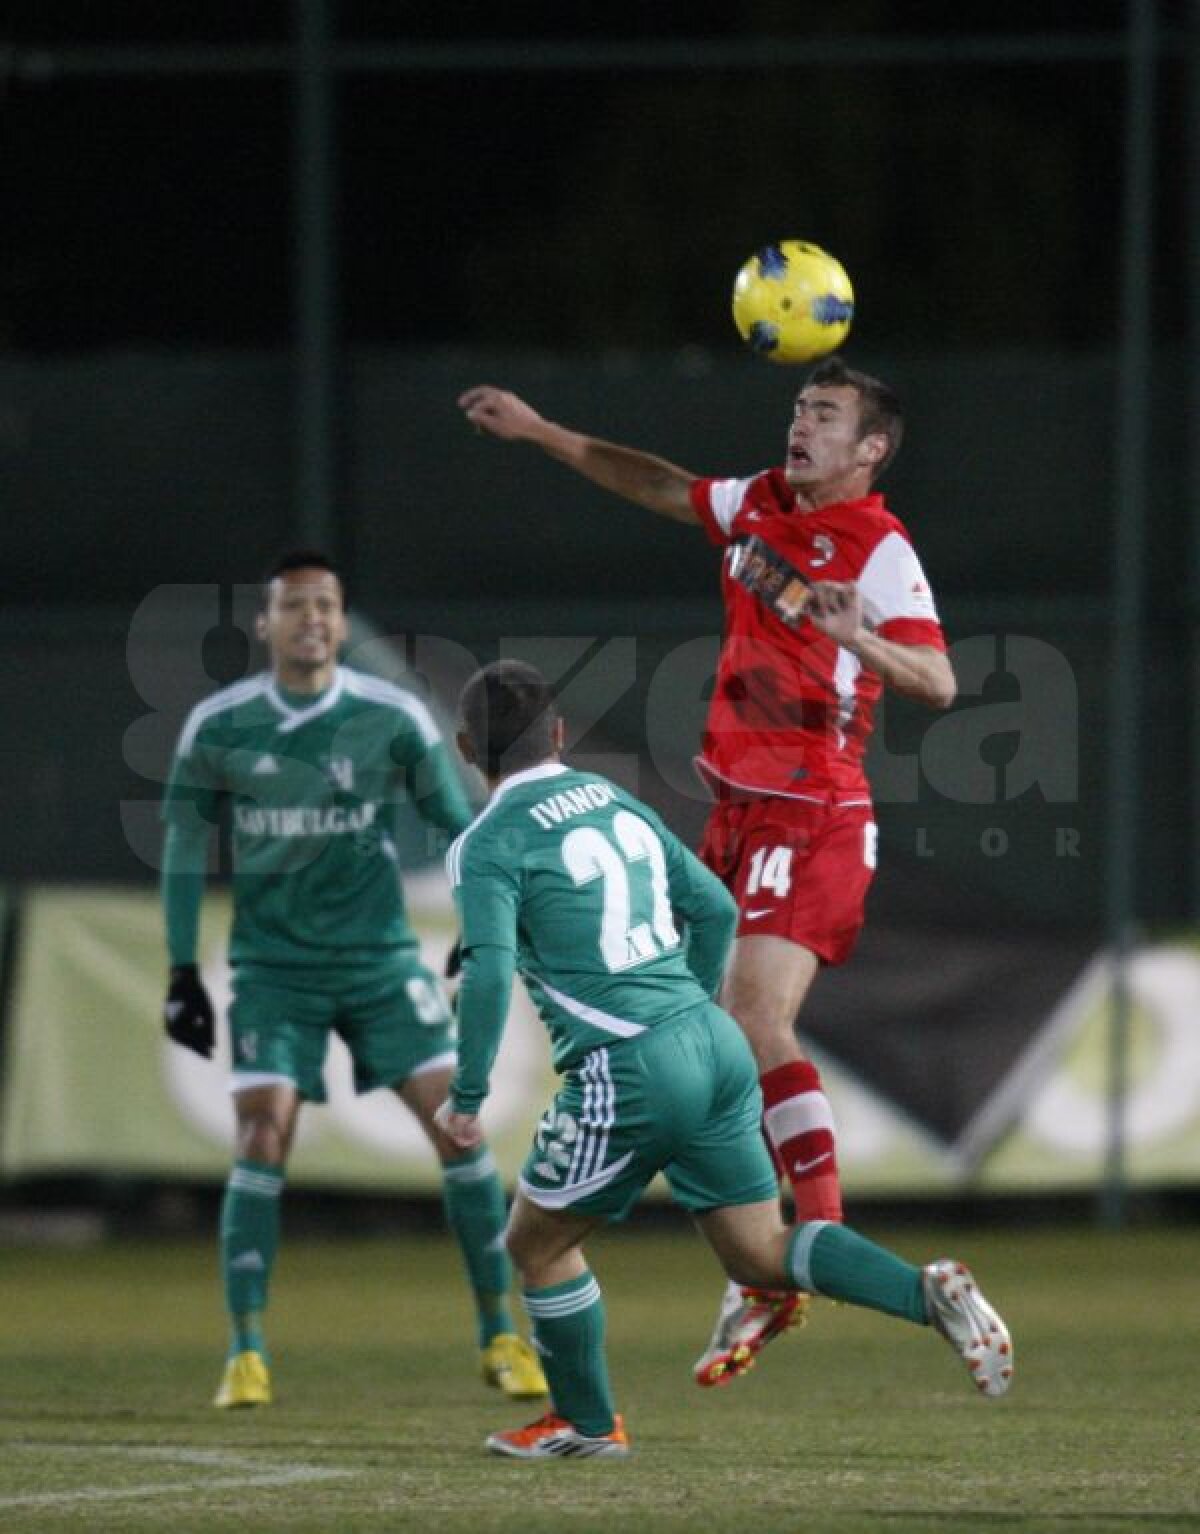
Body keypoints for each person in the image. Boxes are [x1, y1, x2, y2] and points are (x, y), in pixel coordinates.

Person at [458, 359, 955, 1384]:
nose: (800, 424)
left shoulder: (880, 547)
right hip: (735, 806)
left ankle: (808, 1242)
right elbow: (658, 482)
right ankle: (764, 1257)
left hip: (812, 805)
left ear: (871, 449)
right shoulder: (758, 503)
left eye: (826, 414)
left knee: (754, 1023)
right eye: (799, 407)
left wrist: (861, 637)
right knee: (706, 1032)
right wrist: (543, 430)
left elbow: (940, 682)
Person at [433, 661, 1010, 1460]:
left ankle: (586, 1424)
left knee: (537, 1246)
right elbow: (713, 906)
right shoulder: (615, 801)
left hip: (629, 1064)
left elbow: (489, 971)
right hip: (714, 1044)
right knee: (759, 1252)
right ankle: (924, 1292)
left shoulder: (486, 843)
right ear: (560, 733)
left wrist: (466, 1095)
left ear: (467, 747)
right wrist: (696, 1011)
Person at [160, 550, 547, 1408]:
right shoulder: (220, 726)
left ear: (340, 621)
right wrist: (183, 970)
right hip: (274, 971)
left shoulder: (389, 716)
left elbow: (459, 824)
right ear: (265, 624)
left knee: (460, 1131)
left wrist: (479, 924)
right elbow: (184, 845)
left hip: (380, 964)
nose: (313, 619)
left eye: (326, 606)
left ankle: (500, 1336)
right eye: (295, 606)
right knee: (262, 1135)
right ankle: (246, 1351)